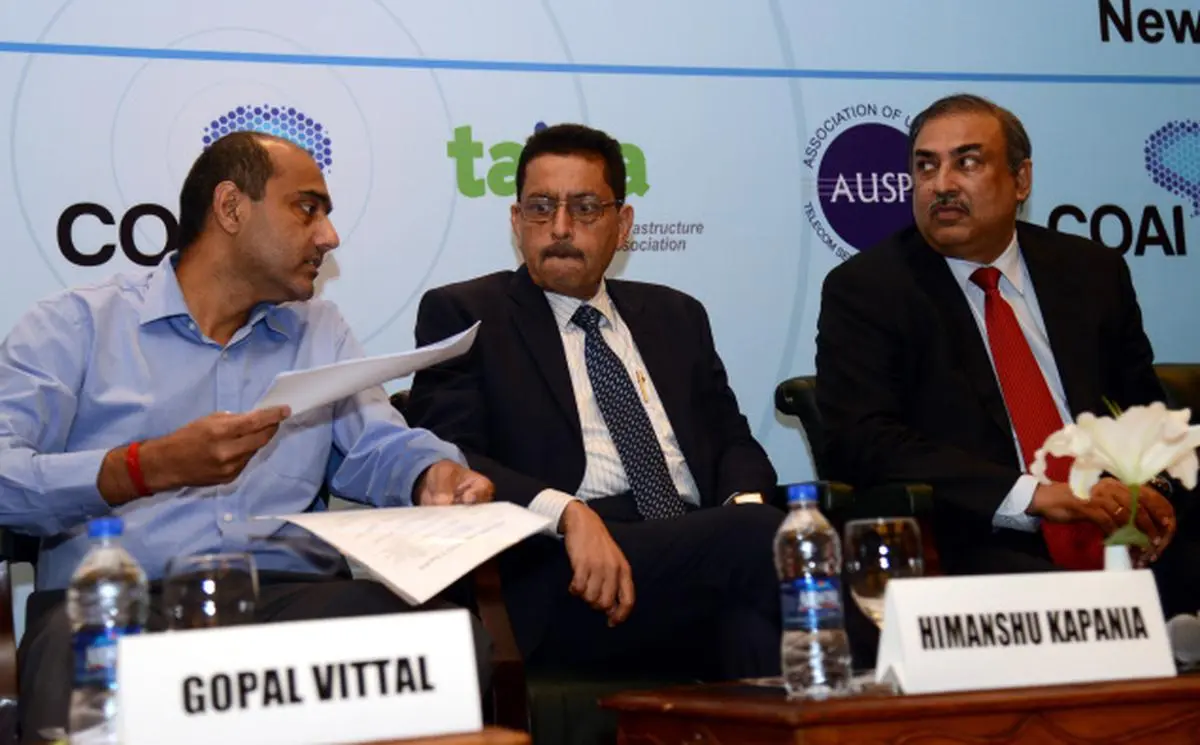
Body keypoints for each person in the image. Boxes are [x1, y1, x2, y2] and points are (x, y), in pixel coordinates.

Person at [0, 131, 494, 743]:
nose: (329, 236)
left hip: (291, 601)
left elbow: (378, 445)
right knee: (79, 676)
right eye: (307, 209)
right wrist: (141, 467)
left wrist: (433, 474)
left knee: (445, 644)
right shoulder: (76, 325)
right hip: (123, 608)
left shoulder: (319, 330)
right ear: (231, 208)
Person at [407, 123, 783, 680]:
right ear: (516, 222)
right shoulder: (465, 315)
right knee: (765, 551)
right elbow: (452, 458)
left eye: (584, 208)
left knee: (756, 586)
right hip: (563, 565)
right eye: (540, 208)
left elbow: (731, 438)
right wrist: (566, 513)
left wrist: (744, 505)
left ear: (622, 224)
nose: (560, 228)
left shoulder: (676, 316)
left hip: (698, 541)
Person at [815, 93, 1189, 586]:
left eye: (966, 162)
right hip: (983, 533)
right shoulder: (868, 290)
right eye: (926, 167)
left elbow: (1142, 411)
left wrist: (1146, 487)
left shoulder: (1090, 272)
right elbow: (865, 440)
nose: (941, 185)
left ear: (1022, 180)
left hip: (1116, 519)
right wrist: (1033, 495)